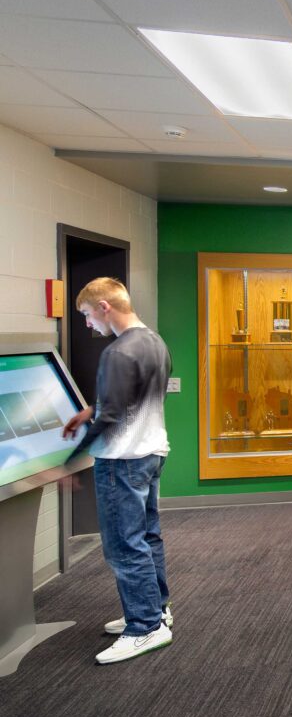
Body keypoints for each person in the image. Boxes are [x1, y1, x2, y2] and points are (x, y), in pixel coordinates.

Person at [61, 277, 174, 665]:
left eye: (88, 315)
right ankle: (156, 609)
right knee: (147, 537)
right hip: (151, 453)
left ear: (105, 307)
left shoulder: (117, 352)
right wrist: (90, 410)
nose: (89, 325)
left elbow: (113, 416)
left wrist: (72, 459)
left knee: (125, 547)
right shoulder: (154, 342)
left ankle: (144, 627)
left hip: (121, 461)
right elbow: (129, 397)